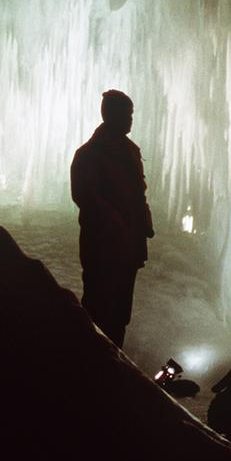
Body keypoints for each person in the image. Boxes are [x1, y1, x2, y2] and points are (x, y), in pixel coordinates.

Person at [70, 90, 155, 348]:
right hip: (103, 244)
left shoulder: (129, 151)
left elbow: (138, 193)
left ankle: (113, 357)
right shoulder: (90, 154)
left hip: (127, 245)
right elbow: (85, 196)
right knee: (98, 304)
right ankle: (93, 361)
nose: (131, 119)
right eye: (127, 114)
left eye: (131, 114)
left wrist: (142, 224)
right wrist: (117, 225)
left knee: (119, 310)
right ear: (111, 115)